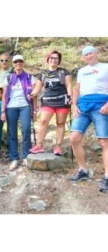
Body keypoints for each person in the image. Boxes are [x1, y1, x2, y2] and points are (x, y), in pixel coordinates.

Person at [69, 45, 108, 193]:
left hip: (101, 106)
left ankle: (107, 176)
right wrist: (74, 105)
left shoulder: (105, 67)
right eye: (85, 55)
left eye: (90, 53)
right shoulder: (82, 71)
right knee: (74, 138)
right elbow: (76, 90)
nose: (88, 56)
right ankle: (83, 170)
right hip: (83, 107)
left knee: (104, 141)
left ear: (97, 53)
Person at [29, 50, 72, 155]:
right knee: (43, 121)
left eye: (56, 58)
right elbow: (38, 89)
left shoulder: (64, 72)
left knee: (60, 123)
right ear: (48, 60)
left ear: (59, 61)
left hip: (62, 100)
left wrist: (70, 96)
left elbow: (69, 85)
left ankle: (58, 146)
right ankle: (39, 145)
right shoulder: (43, 73)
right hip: (47, 101)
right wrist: (31, 94)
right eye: (51, 58)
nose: (53, 60)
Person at [1, 55, 37, 171]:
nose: (18, 63)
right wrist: (2, 110)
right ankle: (14, 158)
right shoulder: (8, 77)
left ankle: (26, 155)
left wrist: (35, 109)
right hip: (11, 107)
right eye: (16, 62)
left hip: (25, 105)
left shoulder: (30, 77)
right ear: (13, 64)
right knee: (12, 132)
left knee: (26, 130)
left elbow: (34, 95)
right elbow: (4, 95)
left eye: (20, 61)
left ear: (23, 62)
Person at [0, 53, 12, 158]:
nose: (4, 62)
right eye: (2, 60)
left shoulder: (13, 72)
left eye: (6, 60)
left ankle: (11, 150)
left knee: (11, 127)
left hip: (12, 102)